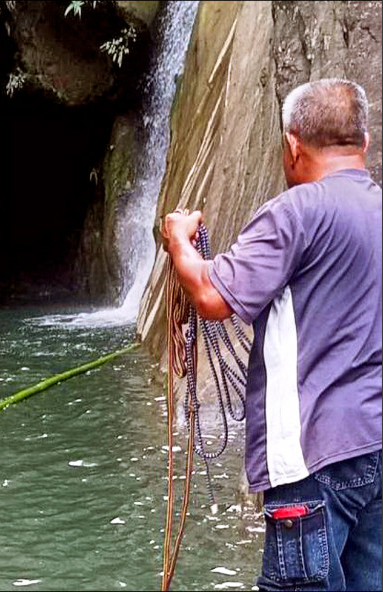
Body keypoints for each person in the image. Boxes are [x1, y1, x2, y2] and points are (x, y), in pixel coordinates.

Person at [161, 78, 381, 591]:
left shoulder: (297, 212)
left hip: (311, 456)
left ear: (292, 145)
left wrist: (179, 243)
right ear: (363, 144)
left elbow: (212, 297)